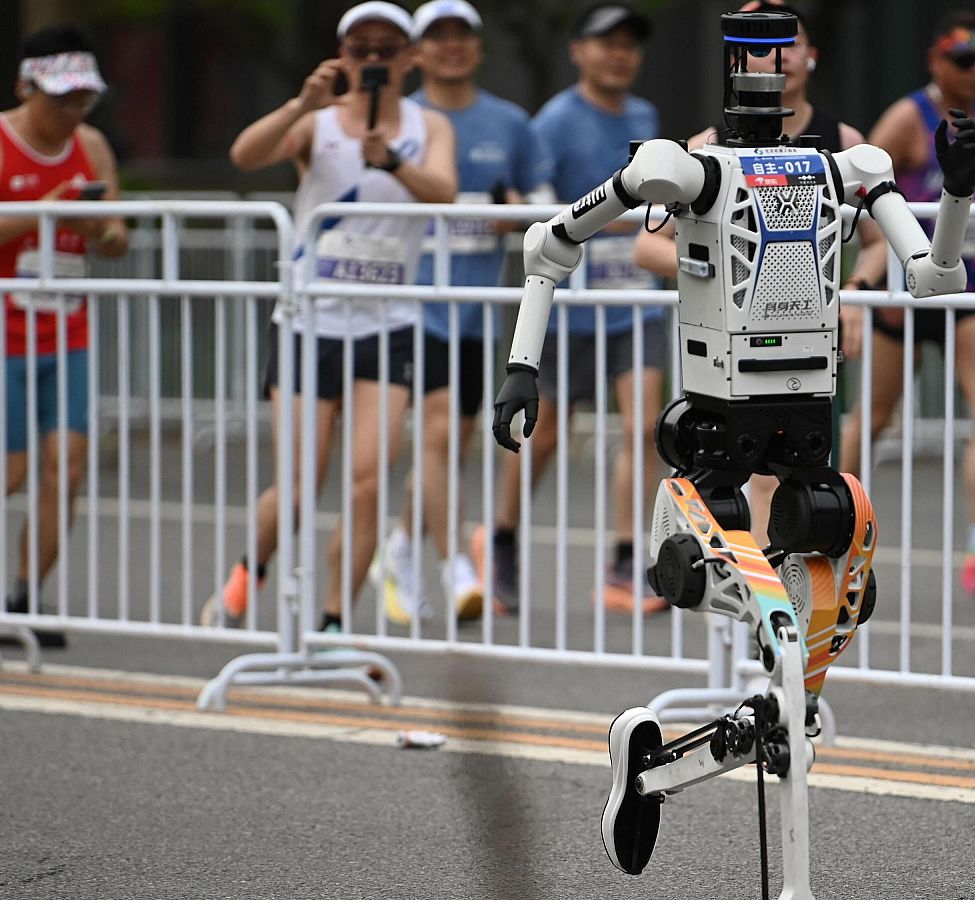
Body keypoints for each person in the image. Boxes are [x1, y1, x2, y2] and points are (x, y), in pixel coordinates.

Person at [206, 1, 457, 636]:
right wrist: (300, 103)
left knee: (367, 483)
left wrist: (392, 162)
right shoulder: (316, 126)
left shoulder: (428, 127)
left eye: (387, 48)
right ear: (342, 56)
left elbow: (445, 193)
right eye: (360, 48)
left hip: (387, 321)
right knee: (296, 487)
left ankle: (335, 620)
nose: (374, 59)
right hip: (307, 323)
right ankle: (248, 571)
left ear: (410, 58)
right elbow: (244, 155)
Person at [633, 0, 877, 546]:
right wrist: (714, 272)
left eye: (787, 43)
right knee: (737, 483)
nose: (776, 59)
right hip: (731, 347)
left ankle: (790, 600)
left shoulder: (845, 145)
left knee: (810, 483)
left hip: (806, 340)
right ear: (736, 63)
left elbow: (879, 244)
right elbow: (647, 249)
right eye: (757, 46)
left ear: (812, 55)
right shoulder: (708, 152)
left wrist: (853, 293)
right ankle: (753, 593)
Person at [838, 13, 975, 598]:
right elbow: (862, 188)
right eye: (964, 61)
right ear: (935, 61)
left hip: (967, 285)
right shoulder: (909, 116)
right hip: (908, 287)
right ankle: (832, 525)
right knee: (873, 419)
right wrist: (877, 273)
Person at [367, 0, 536, 626]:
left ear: (479, 48)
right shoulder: (399, 120)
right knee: (437, 435)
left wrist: (515, 210)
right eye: (436, 37)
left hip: (474, 312)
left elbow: (538, 207)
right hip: (411, 306)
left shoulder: (510, 123)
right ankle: (454, 561)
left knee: (450, 446)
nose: (451, 47)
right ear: (416, 53)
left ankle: (400, 548)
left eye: (461, 35)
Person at [519, 2, 665, 614]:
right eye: (606, 42)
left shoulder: (646, 115)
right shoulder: (553, 121)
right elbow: (539, 205)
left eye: (629, 43)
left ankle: (626, 563)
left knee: (643, 430)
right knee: (544, 434)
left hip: (636, 301)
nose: (620, 53)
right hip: (571, 305)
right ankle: (498, 539)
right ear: (578, 50)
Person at [0, 26, 129, 642]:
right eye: (61, 98)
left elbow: (118, 237)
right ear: (27, 86)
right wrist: (50, 206)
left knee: (66, 468)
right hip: (4, 331)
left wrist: (99, 228)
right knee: (13, 470)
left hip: (67, 330)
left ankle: (27, 598)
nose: (72, 112)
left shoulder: (94, 146)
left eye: (83, 99)